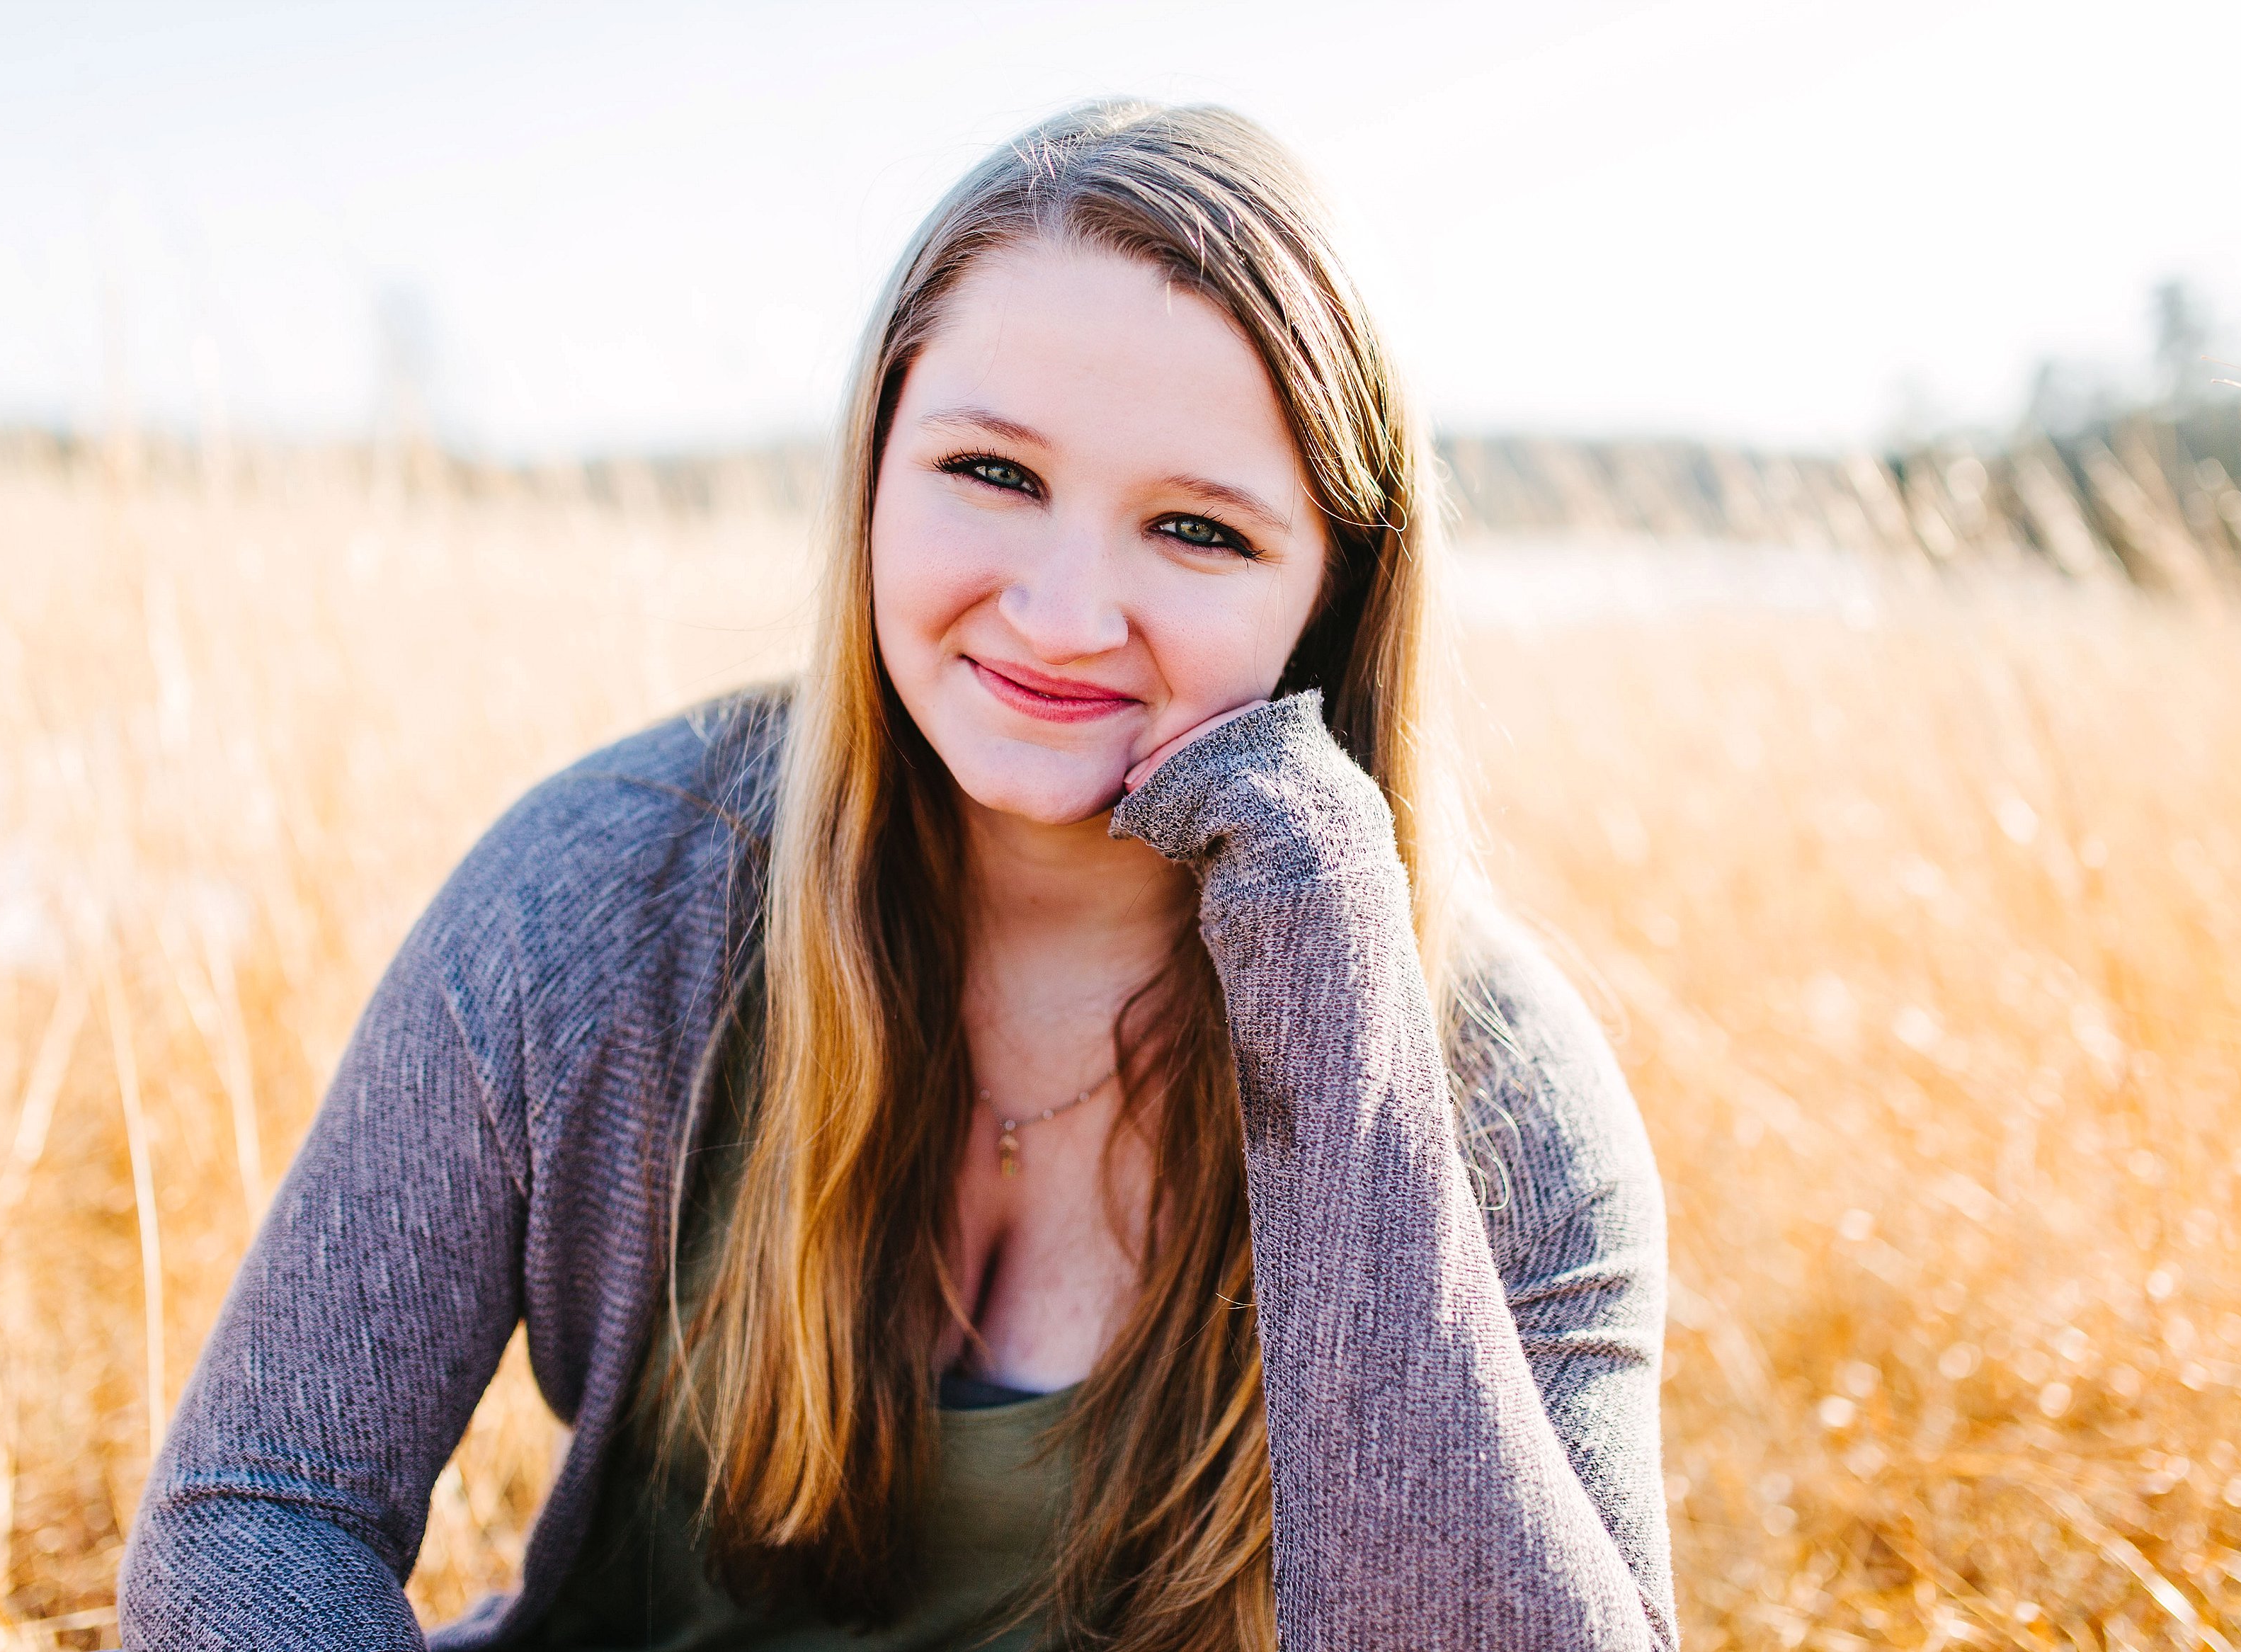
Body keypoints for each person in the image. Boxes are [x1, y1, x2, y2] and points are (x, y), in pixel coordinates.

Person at [118, 101, 1675, 1651]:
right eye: (993, 474)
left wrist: (1339, 1031)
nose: (1064, 614)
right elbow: (258, 1507)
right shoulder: (606, 896)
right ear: (874, 468)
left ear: (1333, 592)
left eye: (1196, 529)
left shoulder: (1497, 1093)